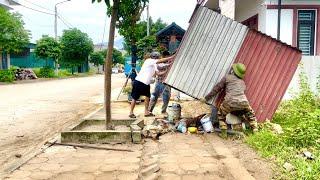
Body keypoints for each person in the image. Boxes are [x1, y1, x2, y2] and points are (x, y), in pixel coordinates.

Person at [202, 63, 258, 136]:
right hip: (244, 102)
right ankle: (256, 132)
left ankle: (224, 134)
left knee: (221, 115)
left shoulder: (227, 77)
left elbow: (217, 89)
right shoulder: (242, 82)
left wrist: (206, 98)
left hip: (230, 101)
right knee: (251, 116)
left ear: (233, 71)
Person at [129, 51, 172, 118]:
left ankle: (146, 112)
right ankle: (131, 113)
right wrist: (171, 57)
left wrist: (166, 71)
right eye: (156, 57)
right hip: (139, 81)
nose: (157, 58)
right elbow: (161, 61)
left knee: (147, 97)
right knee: (135, 98)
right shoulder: (149, 61)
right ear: (154, 57)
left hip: (146, 83)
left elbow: (158, 73)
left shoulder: (154, 64)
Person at [148, 51, 172, 115]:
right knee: (154, 96)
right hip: (159, 82)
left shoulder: (168, 63)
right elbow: (161, 67)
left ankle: (163, 111)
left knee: (166, 97)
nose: (167, 58)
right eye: (166, 57)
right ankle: (149, 110)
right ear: (164, 57)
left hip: (166, 83)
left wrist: (169, 64)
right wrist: (169, 65)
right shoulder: (158, 63)